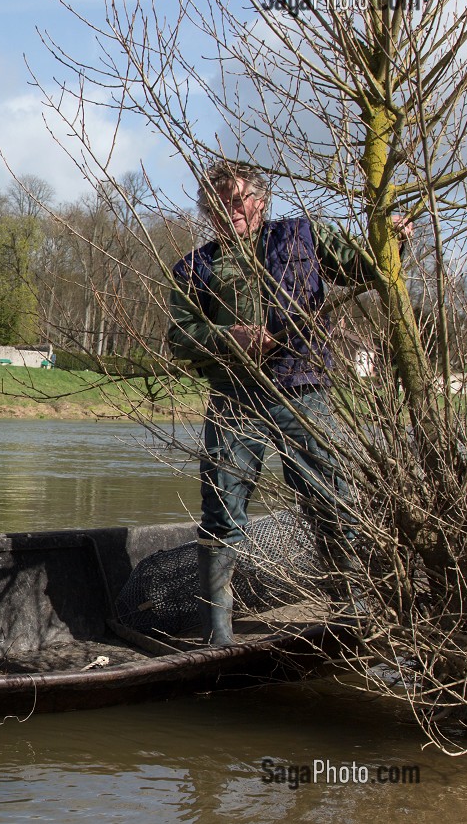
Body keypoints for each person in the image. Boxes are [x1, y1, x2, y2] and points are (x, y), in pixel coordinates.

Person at [167, 159, 411, 645]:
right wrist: (226, 335)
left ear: (260, 201)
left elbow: (366, 267)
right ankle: (219, 633)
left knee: (333, 501)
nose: (229, 211)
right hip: (234, 398)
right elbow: (179, 338)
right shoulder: (194, 267)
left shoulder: (303, 236)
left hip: (303, 393)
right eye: (217, 204)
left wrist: (394, 240)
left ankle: (353, 614)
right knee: (221, 511)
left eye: (238, 200)